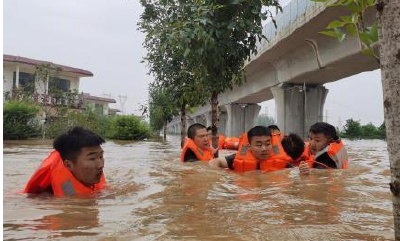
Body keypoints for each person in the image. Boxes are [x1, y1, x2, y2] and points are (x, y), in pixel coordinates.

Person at [24, 126, 106, 197]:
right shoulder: (45, 196)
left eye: (101, 156)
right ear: (68, 165)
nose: (101, 165)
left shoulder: (92, 173)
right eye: (92, 158)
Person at [209, 126, 288, 172]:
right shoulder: (236, 158)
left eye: (267, 144)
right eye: (259, 145)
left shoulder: (282, 163)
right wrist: (220, 175)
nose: (264, 149)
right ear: (249, 146)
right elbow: (214, 162)